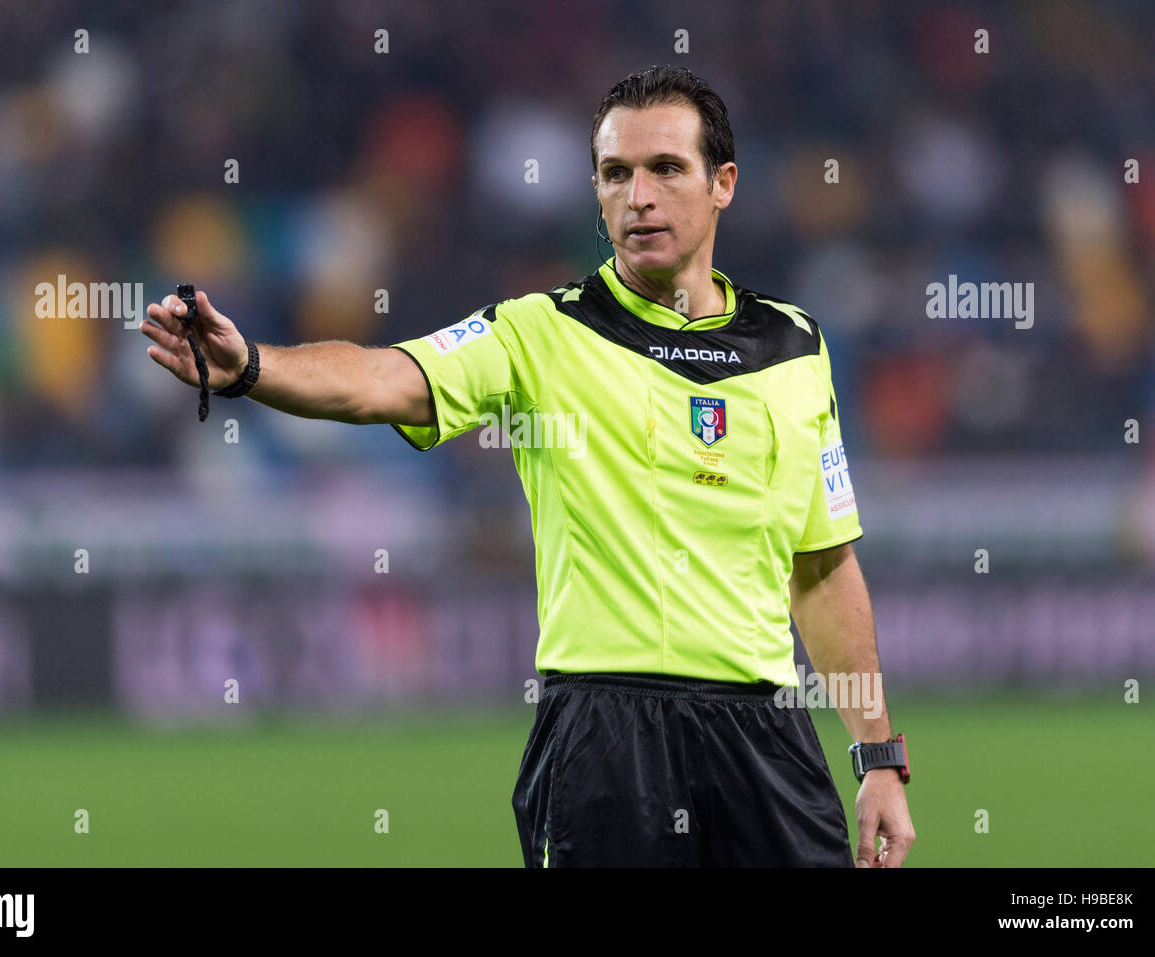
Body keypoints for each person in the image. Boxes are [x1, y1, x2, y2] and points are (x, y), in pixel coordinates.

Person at [142, 65, 915, 868]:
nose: (639, 196)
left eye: (665, 169)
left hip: (765, 736)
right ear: (595, 190)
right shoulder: (539, 333)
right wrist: (251, 367)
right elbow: (384, 380)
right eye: (616, 174)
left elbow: (822, 568)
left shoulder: (794, 348)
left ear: (722, 183)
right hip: (606, 739)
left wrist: (877, 756)